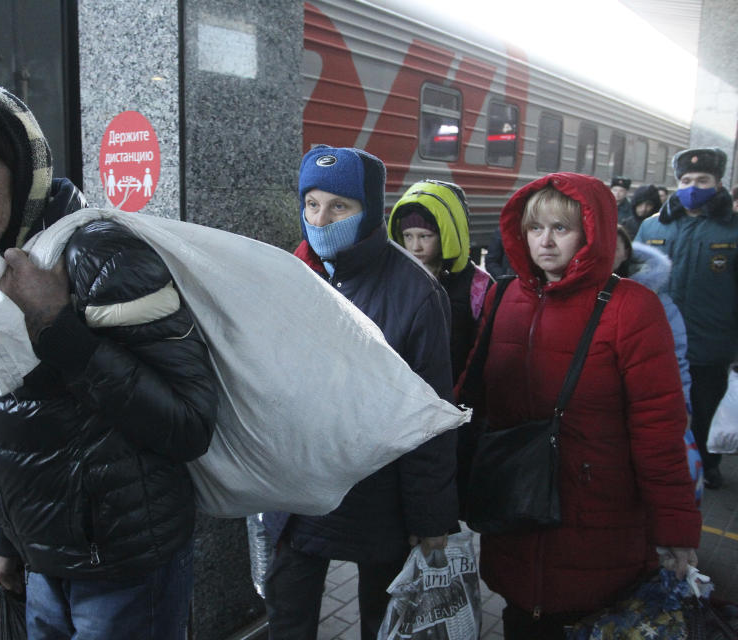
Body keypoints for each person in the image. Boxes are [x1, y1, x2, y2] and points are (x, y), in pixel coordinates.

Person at [0, 80, 218, 638]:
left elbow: (189, 426)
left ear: (20, 168)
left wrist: (56, 327)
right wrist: (10, 544)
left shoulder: (99, 254)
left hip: (124, 568)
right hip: (44, 565)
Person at [463, 172, 701, 639]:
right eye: (535, 228)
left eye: (561, 228)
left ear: (592, 232)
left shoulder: (632, 307)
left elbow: (659, 428)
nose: (545, 241)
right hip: (517, 509)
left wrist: (674, 527)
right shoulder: (505, 295)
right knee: (521, 617)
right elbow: (473, 394)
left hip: (596, 515)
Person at [262, 146, 457, 640]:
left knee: (384, 620)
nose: (320, 218)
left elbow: (429, 417)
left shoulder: (417, 294)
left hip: (379, 499)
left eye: (339, 206)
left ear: (369, 209)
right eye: (311, 203)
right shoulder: (290, 273)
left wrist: (430, 518)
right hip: (298, 491)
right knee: (288, 617)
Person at [637, 147, 738, 490]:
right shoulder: (652, 226)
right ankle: (663, 465)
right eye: (686, 180)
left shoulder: (732, 231)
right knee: (659, 406)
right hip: (657, 339)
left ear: (718, 183)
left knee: (705, 408)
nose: (693, 186)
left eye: (702, 179)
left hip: (712, 341)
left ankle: (707, 464)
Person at [614, 227, 704, 504]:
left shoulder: (656, 301)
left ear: (626, 251)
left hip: (641, 409)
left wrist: (683, 404)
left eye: (612, 245)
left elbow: (676, 359)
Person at [387, 180, 493, 382]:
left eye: (425, 236)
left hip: (457, 390)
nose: (415, 246)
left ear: (447, 235)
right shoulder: (396, 280)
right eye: (408, 236)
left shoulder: (478, 286)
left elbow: (482, 351)